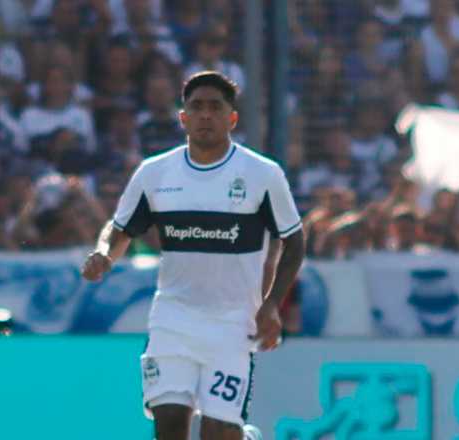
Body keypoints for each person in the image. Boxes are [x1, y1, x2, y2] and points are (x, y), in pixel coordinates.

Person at [81, 72, 306, 440]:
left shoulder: (262, 174)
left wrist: (271, 305)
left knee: (217, 433)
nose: (205, 115)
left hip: (233, 323)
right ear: (182, 118)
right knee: (169, 429)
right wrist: (104, 254)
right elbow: (120, 228)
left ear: (232, 118)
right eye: (196, 107)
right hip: (174, 319)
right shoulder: (155, 173)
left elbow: (294, 241)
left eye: (215, 107)